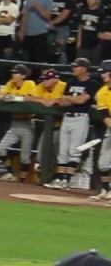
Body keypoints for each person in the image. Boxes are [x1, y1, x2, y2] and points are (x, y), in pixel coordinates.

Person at [44, 57, 101, 190]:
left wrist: (70, 98)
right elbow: (65, 102)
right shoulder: (71, 82)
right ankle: (59, 178)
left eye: (76, 66)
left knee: (74, 151)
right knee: (62, 151)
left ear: (84, 69)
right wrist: (73, 99)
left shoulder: (92, 84)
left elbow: (82, 101)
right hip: (67, 117)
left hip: (81, 118)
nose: (74, 68)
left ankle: (66, 180)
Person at [0, 64, 40, 183]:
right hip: (14, 124)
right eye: (13, 73)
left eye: (16, 73)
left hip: (27, 124)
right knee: (0, 149)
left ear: (23, 75)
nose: (13, 75)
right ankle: (10, 172)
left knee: (25, 157)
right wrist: (5, 97)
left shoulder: (29, 83)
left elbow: (31, 98)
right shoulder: (11, 83)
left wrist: (14, 98)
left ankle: (22, 181)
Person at [19, 0, 54, 64]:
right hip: (28, 33)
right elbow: (25, 15)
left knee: (41, 59)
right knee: (28, 60)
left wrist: (38, 8)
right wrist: (22, 30)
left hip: (41, 33)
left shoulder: (48, 0)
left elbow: (48, 16)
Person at [92, 61, 111, 200]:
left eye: (105, 72)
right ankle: (105, 190)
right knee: (103, 163)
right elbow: (105, 114)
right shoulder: (101, 92)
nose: (102, 75)